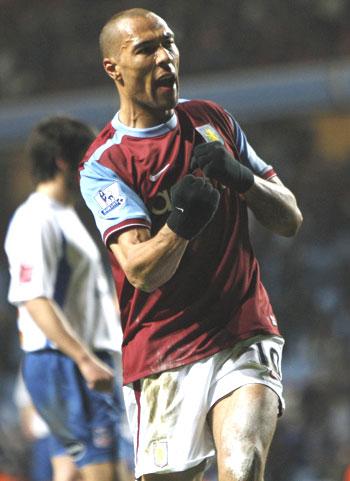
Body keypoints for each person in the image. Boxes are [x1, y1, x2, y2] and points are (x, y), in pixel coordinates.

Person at [79, 8, 303, 481]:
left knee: (241, 465)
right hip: (161, 354)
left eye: (170, 44)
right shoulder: (106, 164)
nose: (165, 58)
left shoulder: (211, 120)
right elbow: (141, 269)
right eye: (146, 49)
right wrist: (181, 225)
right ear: (113, 68)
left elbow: (289, 218)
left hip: (242, 330)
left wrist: (242, 179)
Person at [5, 117, 133, 481]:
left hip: (77, 362)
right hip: (68, 363)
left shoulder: (66, 216)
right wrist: (85, 360)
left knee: (73, 471)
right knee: (105, 473)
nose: (95, 163)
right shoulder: (35, 219)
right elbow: (34, 298)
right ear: (63, 160)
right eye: (88, 155)